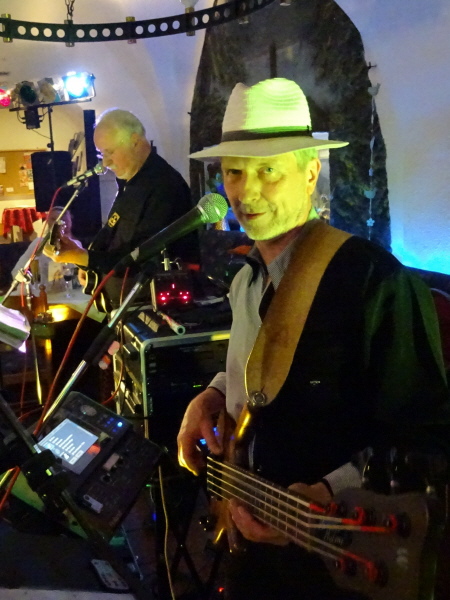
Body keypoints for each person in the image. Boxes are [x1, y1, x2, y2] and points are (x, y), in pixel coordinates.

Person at [177, 78, 450, 599]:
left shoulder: (374, 282)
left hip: (341, 566)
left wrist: (329, 491)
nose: (245, 191)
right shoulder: (245, 281)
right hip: (254, 556)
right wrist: (211, 395)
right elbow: (254, 372)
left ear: (310, 172)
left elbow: (429, 439)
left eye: (268, 171)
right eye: (234, 171)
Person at [44, 109, 199, 310]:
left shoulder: (165, 186)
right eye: (101, 154)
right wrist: (82, 253)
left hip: (150, 308)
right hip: (126, 306)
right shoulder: (131, 183)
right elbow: (112, 238)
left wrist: (84, 257)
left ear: (135, 141)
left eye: (110, 152)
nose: (105, 163)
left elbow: (141, 255)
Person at [11, 206, 73, 290]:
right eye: (53, 219)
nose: (58, 223)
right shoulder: (38, 243)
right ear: (47, 221)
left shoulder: (76, 246)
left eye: (63, 219)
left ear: (70, 222)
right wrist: (31, 286)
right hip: (44, 293)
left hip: (71, 294)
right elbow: (17, 272)